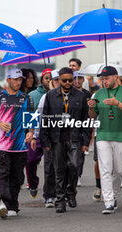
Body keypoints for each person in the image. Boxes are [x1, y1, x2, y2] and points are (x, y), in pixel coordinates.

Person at [40, 67, 91, 213]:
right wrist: (45, 141)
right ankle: (60, 200)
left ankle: (71, 192)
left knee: (74, 165)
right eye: (64, 80)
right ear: (59, 80)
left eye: (70, 80)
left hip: (74, 137)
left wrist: (86, 142)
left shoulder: (80, 96)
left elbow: (85, 119)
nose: (68, 83)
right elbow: (45, 118)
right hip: (57, 138)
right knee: (59, 170)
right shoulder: (51, 95)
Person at [88, 66, 122, 214]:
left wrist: (118, 104)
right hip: (102, 136)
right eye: (102, 79)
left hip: (121, 136)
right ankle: (108, 201)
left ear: (115, 77)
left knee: (119, 170)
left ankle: (114, 195)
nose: (104, 82)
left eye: (107, 78)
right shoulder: (98, 93)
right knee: (105, 169)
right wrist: (91, 107)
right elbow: (92, 117)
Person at [0, 68, 34, 218]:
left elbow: (31, 119)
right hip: (2, 146)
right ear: (8, 80)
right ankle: (1, 202)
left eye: (20, 80)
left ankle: (12, 205)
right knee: (2, 174)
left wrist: (31, 133)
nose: (18, 82)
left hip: (20, 146)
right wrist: (0, 124)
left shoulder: (26, 97)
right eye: (15, 79)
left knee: (17, 177)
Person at [36, 69, 60, 208]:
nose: (58, 83)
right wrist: (35, 136)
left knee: (65, 167)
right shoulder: (46, 97)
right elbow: (39, 117)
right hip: (49, 137)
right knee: (50, 166)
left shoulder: (70, 96)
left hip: (65, 137)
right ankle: (50, 195)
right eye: (55, 80)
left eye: (60, 80)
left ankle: (62, 194)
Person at [26, 68, 51, 198]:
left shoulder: (57, 94)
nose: (49, 81)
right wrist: (31, 134)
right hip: (36, 133)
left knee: (50, 165)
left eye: (51, 78)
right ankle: (33, 183)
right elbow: (30, 115)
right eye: (47, 78)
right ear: (42, 80)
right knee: (30, 161)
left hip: (51, 134)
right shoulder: (33, 95)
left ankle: (48, 193)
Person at [73, 71, 92, 186]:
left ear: (83, 80)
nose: (77, 81)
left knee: (81, 153)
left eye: (80, 78)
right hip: (71, 126)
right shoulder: (69, 93)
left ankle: (78, 175)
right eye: (75, 78)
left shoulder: (88, 94)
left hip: (84, 125)